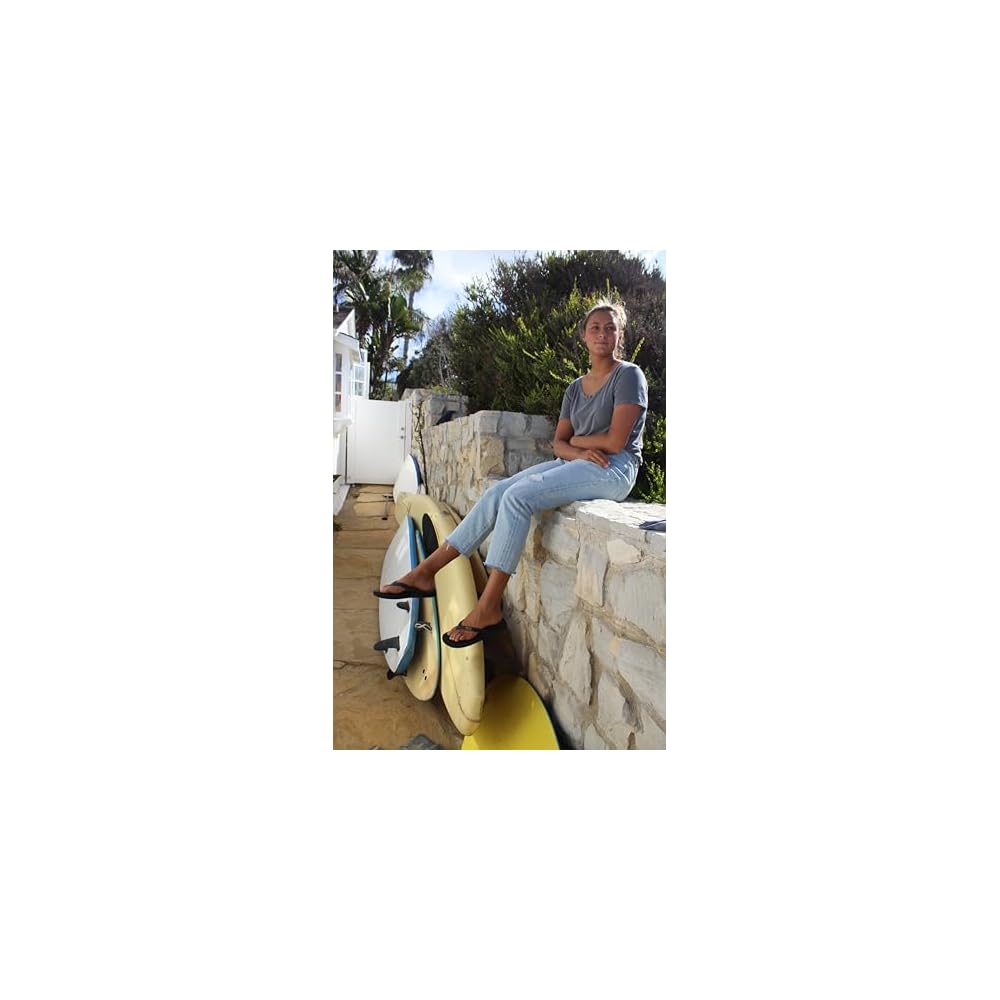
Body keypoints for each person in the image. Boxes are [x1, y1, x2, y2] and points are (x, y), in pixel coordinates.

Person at [374, 299, 648, 647]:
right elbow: (558, 444)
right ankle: (428, 570)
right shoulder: (575, 388)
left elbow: (615, 441)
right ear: (583, 335)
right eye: (595, 327)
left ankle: (488, 606)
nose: (603, 333)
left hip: (615, 469)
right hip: (576, 462)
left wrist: (578, 442)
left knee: (518, 497)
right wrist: (577, 448)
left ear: (620, 334)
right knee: (497, 492)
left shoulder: (628, 376)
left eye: (611, 328)